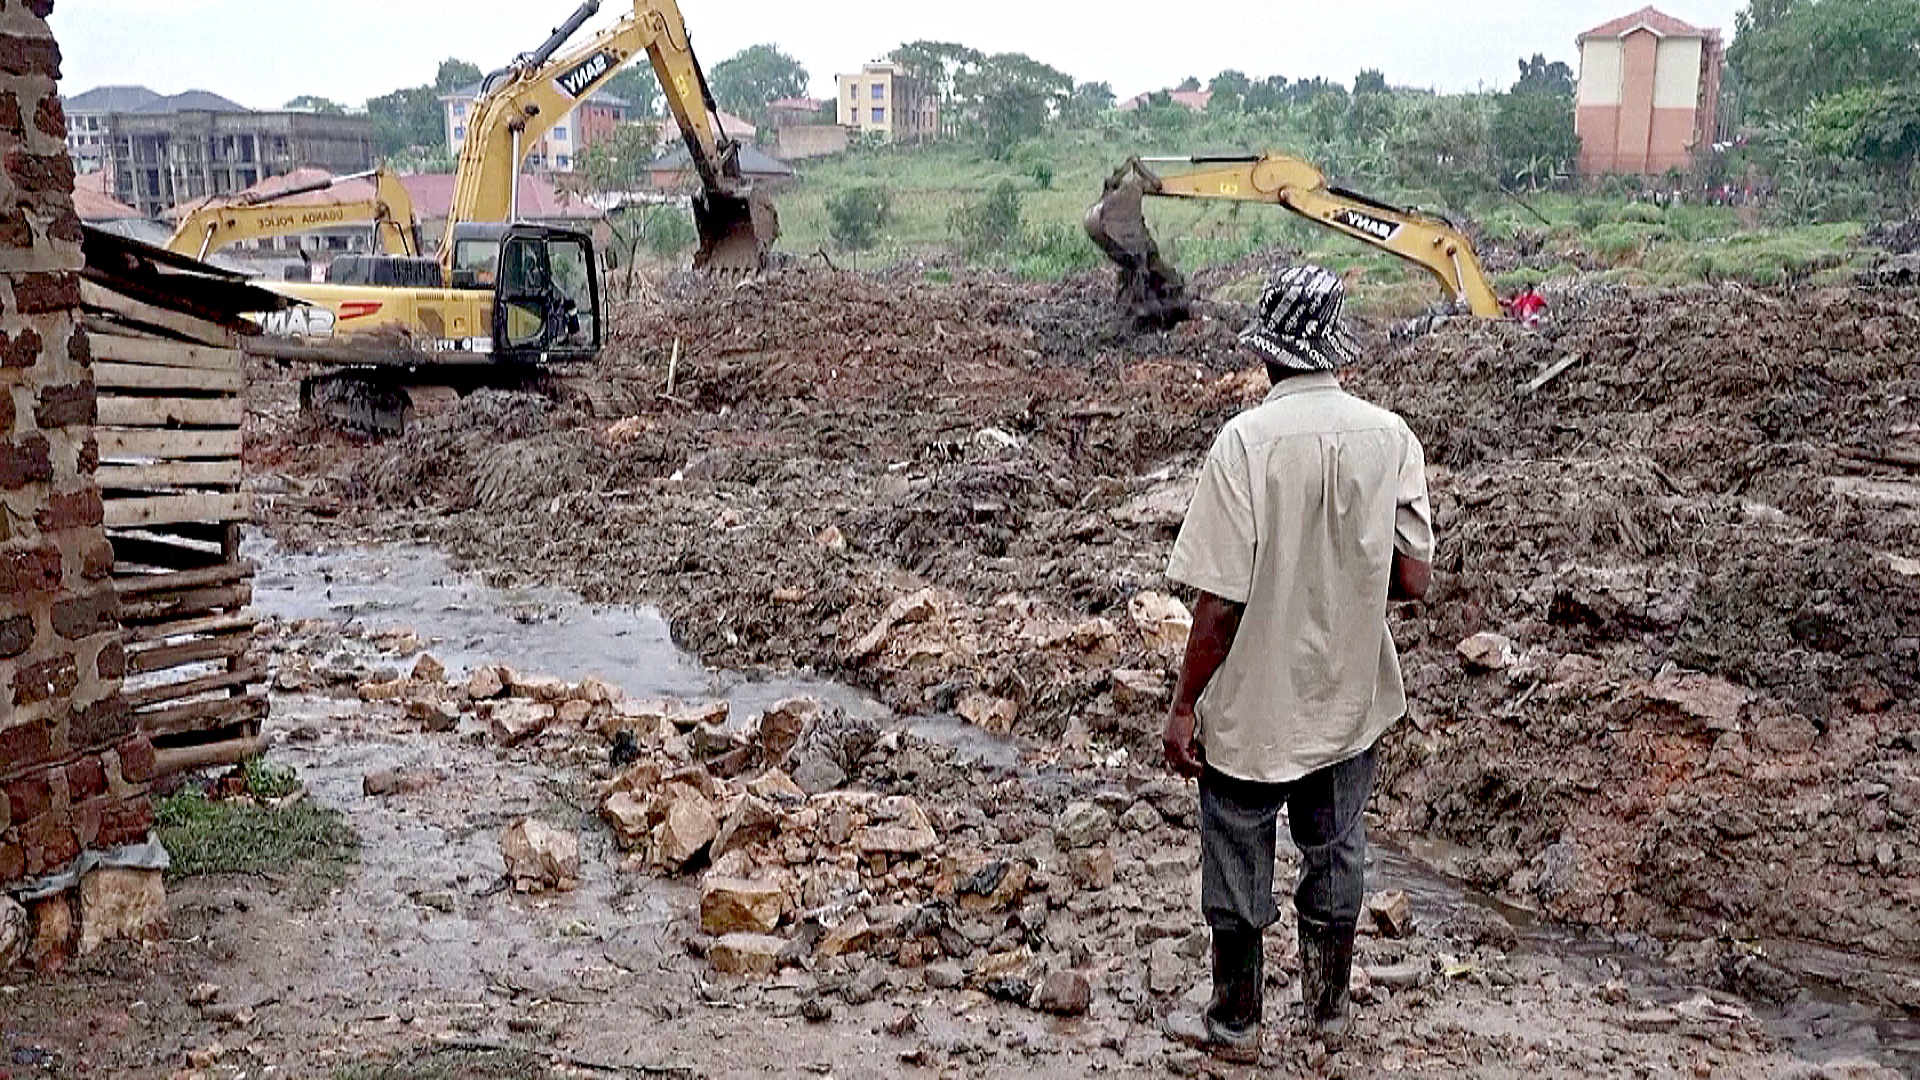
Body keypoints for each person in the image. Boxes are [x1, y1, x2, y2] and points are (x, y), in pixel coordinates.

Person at [1160, 264, 1433, 1062]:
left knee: (1239, 849)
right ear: (1332, 350)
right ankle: (1329, 1012)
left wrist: (1182, 707)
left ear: (1269, 356)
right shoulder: (1390, 437)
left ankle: (1237, 1023)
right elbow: (1414, 579)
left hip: (1254, 707)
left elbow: (1220, 604)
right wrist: (1342, 576)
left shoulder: (1244, 443)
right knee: (1336, 847)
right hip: (1348, 697)